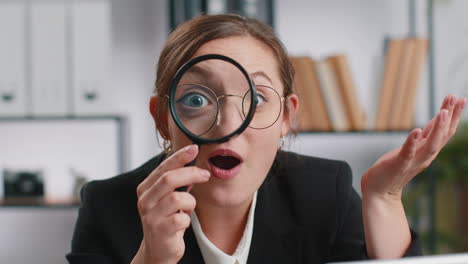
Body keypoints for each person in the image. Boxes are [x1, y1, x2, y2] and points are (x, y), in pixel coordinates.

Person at [66, 14, 467, 264]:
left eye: (256, 98)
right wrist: (151, 261)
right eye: (195, 99)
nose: (227, 125)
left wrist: (384, 197)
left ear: (287, 117)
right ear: (161, 118)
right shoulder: (108, 206)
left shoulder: (323, 193)